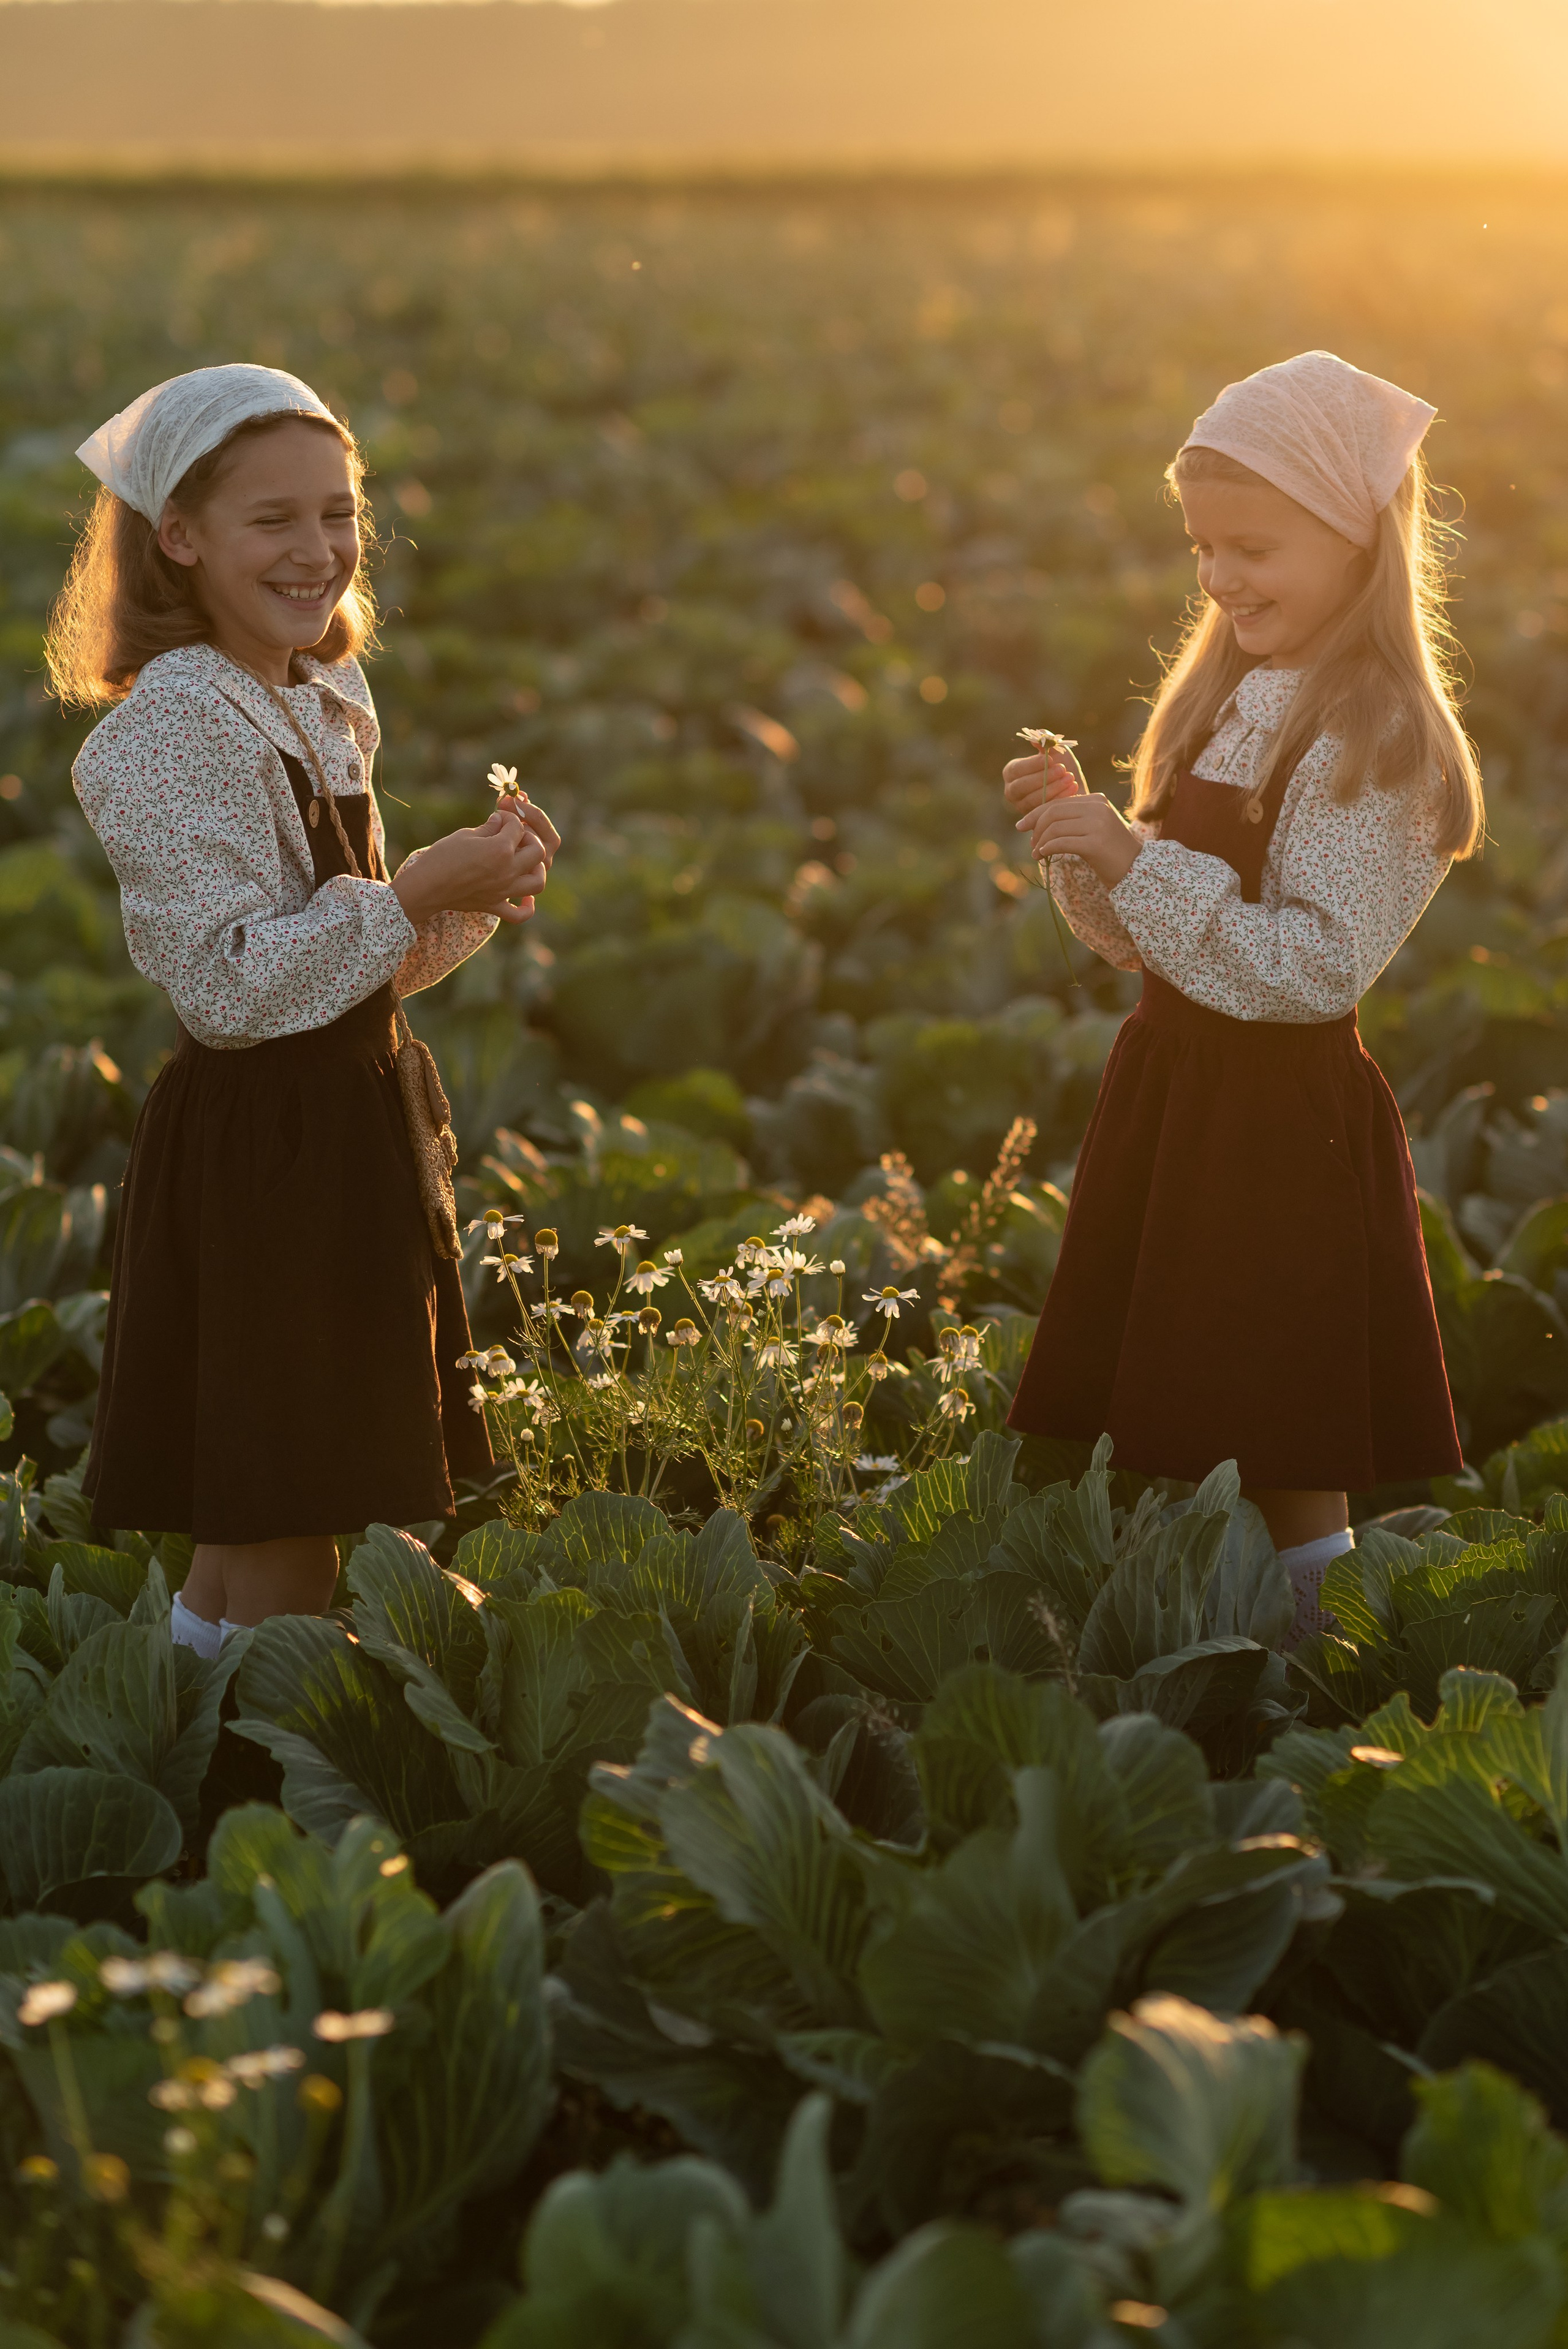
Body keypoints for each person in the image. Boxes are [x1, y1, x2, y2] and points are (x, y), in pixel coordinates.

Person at [44, 363, 557, 1652]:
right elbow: (229, 988)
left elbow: (344, 973)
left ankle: (200, 1744)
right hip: (263, 1151)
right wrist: (414, 889)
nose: (318, 549)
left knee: (257, 1526)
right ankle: (258, 1799)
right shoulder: (163, 731)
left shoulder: (320, 696)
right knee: (289, 1524)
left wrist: (467, 898)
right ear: (178, 537)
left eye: (337, 515)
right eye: (273, 519)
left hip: (344, 1122)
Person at [1002, 350, 1482, 1643]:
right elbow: (1150, 944)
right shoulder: (1227, 698)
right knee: (1182, 1393)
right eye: (1200, 549)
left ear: (1353, 539)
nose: (1217, 579)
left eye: (1252, 548)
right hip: (1179, 1090)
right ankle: (1214, 1650)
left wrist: (1129, 857)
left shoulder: (1373, 733)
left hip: (1279, 1118)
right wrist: (1079, 848)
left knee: (1279, 1419)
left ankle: (1321, 1655)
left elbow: (1309, 966)